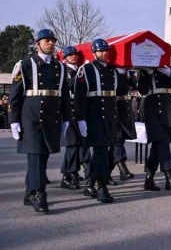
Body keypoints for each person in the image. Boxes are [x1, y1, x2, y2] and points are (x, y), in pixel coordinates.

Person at [9, 29, 72, 213]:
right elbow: (14, 96)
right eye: (46, 41)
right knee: (35, 154)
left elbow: (64, 96)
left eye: (52, 40)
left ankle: (29, 191)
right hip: (31, 117)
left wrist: (67, 118)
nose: (50, 43)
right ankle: (39, 194)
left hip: (52, 118)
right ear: (37, 44)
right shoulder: (26, 65)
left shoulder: (60, 67)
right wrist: (14, 120)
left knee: (42, 155)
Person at [74, 38, 124, 203]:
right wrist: (80, 119)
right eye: (101, 51)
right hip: (93, 117)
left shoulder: (113, 70)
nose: (105, 53)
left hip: (109, 117)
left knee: (105, 152)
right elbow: (80, 97)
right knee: (101, 151)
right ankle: (102, 187)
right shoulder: (86, 69)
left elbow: (122, 91)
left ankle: (90, 182)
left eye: (106, 50)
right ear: (94, 52)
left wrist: (125, 73)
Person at [136, 64, 171, 191]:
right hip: (152, 110)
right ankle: (170, 178)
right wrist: (147, 74)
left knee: (157, 147)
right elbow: (142, 90)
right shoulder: (145, 70)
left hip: (167, 110)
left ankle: (149, 179)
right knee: (163, 142)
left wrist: (170, 74)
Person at [60, 45, 90, 191]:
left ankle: (69, 174)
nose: (74, 56)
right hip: (68, 111)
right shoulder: (62, 70)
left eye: (76, 54)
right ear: (65, 57)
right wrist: (80, 72)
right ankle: (69, 175)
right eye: (70, 54)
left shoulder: (81, 71)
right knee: (72, 145)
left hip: (81, 111)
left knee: (81, 144)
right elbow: (67, 86)